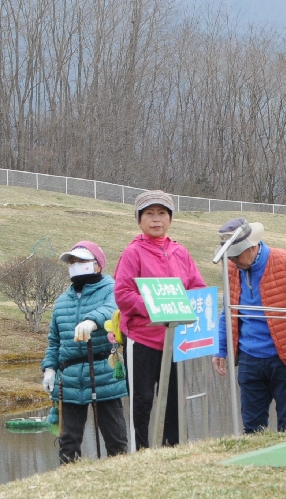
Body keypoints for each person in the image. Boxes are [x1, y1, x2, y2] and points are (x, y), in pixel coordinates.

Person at [212, 218, 286, 434]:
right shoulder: (232, 268)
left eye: (237, 255)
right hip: (249, 359)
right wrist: (221, 348)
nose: (234, 260)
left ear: (253, 246)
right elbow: (227, 310)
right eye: (230, 256)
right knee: (252, 428)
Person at [113, 190, 206, 450]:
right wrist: (156, 308)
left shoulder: (181, 253)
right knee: (141, 401)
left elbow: (197, 287)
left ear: (170, 218)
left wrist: (187, 305)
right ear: (139, 219)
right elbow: (123, 294)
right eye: (150, 214)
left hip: (175, 341)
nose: (156, 219)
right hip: (142, 339)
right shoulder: (133, 252)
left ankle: (172, 450)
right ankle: (140, 453)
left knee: (175, 401)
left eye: (162, 213)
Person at [42, 241, 129, 463]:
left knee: (115, 438)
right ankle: (70, 479)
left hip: (103, 370)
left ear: (97, 265)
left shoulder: (111, 288)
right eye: (72, 262)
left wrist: (92, 321)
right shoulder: (62, 301)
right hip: (69, 376)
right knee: (68, 440)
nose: (75, 265)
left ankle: (121, 475)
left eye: (81, 261)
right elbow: (54, 340)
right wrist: (49, 368)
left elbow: (113, 308)